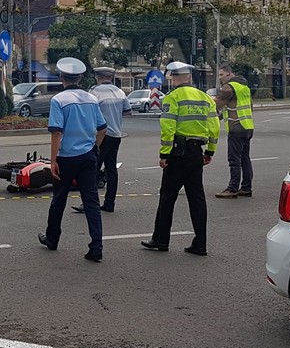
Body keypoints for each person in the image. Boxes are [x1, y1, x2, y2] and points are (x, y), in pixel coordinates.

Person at [142, 61, 218, 255]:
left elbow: (168, 128)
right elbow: (214, 127)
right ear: (190, 77)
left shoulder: (172, 98)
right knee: (197, 199)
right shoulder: (205, 98)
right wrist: (210, 151)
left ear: (173, 78)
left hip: (177, 153)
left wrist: (164, 154)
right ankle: (200, 243)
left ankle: (161, 240)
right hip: (196, 154)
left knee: (167, 197)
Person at [39, 57, 107, 262]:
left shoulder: (58, 100)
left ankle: (52, 239)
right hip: (88, 156)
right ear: (80, 77)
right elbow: (102, 129)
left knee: (59, 199)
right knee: (92, 202)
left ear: (62, 77)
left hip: (66, 158)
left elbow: (56, 133)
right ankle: (96, 246)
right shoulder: (92, 99)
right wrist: (95, 147)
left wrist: (53, 160)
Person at [73, 66, 130, 214]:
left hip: (100, 136)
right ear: (111, 77)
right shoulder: (120, 92)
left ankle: (88, 203)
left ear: (97, 77)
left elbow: (87, 113)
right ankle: (109, 203)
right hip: (116, 135)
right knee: (111, 170)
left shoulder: (94, 93)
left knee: (92, 170)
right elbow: (128, 111)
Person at [214, 64, 254, 198]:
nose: (220, 78)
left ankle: (232, 188)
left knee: (234, 160)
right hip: (247, 127)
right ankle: (246, 188)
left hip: (236, 128)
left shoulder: (228, 88)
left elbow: (217, 105)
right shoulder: (244, 87)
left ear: (229, 74)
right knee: (245, 158)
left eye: (221, 75)